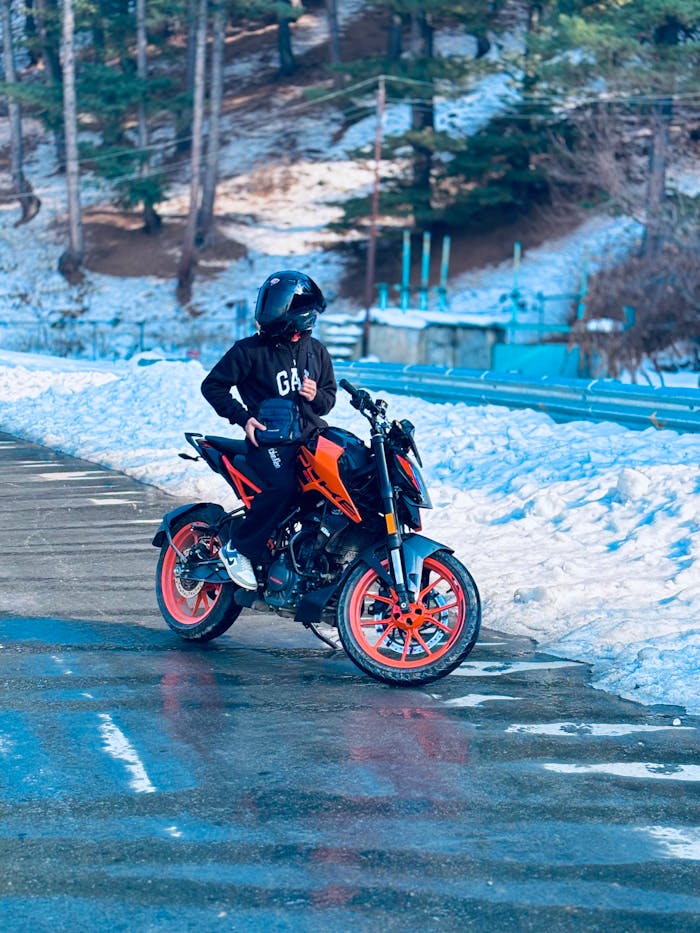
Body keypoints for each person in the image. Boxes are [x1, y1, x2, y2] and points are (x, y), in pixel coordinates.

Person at [201, 270, 337, 589]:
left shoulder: (316, 351)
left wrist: (315, 395)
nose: (310, 318)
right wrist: (243, 418)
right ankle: (239, 549)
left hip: (310, 438)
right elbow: (213, 387)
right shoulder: (248, 351)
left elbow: (328, 398)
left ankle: (308, 559)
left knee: (331, 489)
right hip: (270, 444)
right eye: (306, 312)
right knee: (283, 489)